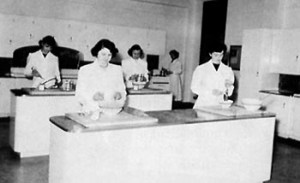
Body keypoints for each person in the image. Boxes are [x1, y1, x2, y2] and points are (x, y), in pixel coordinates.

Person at [75, 39, 126, 117]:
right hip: (91, 112)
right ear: (97, 53)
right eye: (103, 54)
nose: (106, 58)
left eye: (109, 55)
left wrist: (120, 94)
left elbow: (123, 91)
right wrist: (92, 97)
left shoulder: (117, 69)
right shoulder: (85, 70)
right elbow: (79, 95)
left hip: (113, 113)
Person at [191, 43, 234, 108]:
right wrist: (210, 92)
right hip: (204, 103)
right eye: (216, 55)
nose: (219, 58)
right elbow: (194, 87)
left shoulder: (227, 70)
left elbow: (229, 92)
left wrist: (228, 87)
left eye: (221, 55)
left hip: (219, 103)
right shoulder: (201, 69)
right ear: (210, 54)